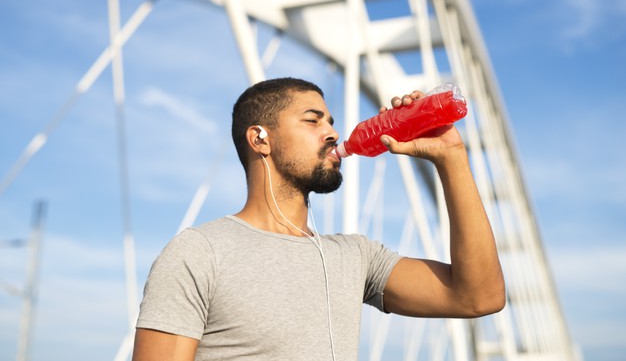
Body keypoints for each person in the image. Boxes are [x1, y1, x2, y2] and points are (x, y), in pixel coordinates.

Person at [132, 77, 505, 361]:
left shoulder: (355, 257)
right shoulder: (199, 252)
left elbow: (479, 297)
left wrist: (451, 157)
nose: (333, 133)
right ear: (260, 139)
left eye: (330, 121)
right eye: (313, 121)